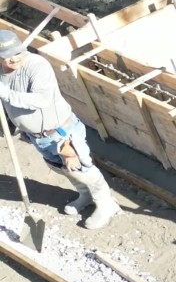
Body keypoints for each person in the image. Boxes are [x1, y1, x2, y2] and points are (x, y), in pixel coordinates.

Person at [0, 30, 119, 229]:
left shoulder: (37, 66)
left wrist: (5, 93)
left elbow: (41, 99)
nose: (14, 59)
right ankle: (86, 195)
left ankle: (107, 204)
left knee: (81, 168)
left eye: (17, 53)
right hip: (36, 136)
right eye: (7, 56)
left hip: (61, 134)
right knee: (59, 167)